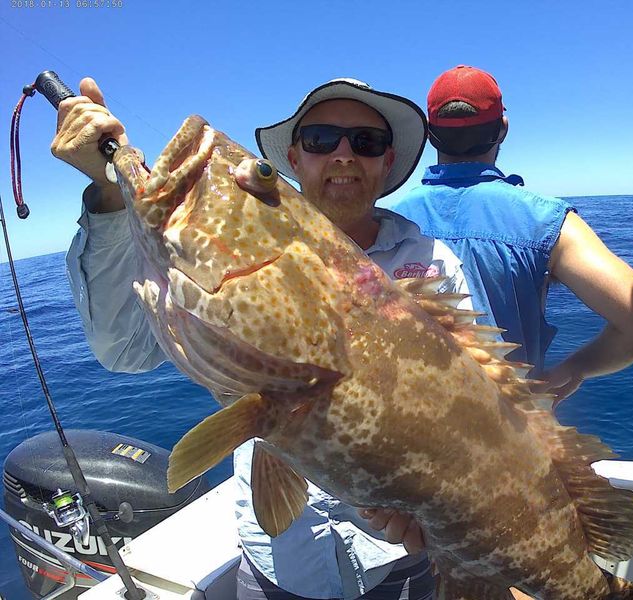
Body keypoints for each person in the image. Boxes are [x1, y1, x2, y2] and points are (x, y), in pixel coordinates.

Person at [54, 77, 467, 599]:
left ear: (387, 163)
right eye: (321, 140)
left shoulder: (431, 264)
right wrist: (111, 192)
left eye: (366, 142)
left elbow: (481, 409)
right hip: (280, 566)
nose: (343, 155)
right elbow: (123, 349)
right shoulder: (228, 269)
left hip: (403, 558)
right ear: (295, 159)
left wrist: (451, 519)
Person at [390, 65, 633, 405]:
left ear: (430, 135)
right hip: (510, 435)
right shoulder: (545, 220)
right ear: (502, 129)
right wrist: (576, 368)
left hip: (407, 433)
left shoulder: (387, 221)